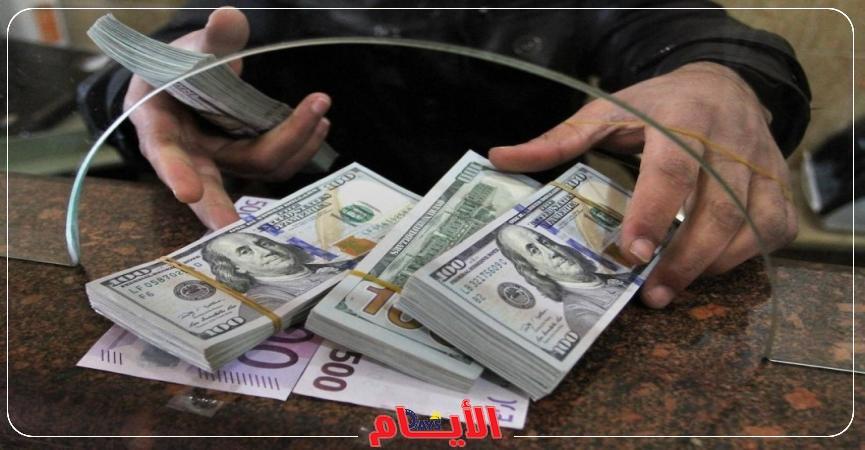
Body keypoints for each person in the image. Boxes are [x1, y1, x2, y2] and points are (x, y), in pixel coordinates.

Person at [79, 3, 811, 310]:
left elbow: (687, 31)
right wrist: (162, 87)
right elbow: (183, 40)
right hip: (304, 247)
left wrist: (720, 80)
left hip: (524, 249)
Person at [496, 224, 630, 337]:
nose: (551, 252)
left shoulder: (621, 277)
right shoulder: (581, 314)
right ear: (534, 269)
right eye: (534, 251)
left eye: (544, 242)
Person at [201, 232, 348, 306]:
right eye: (245, 252)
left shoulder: (335, 266)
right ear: (237, 268)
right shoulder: (266, 299)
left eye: (264, 243)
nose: (266, 251)